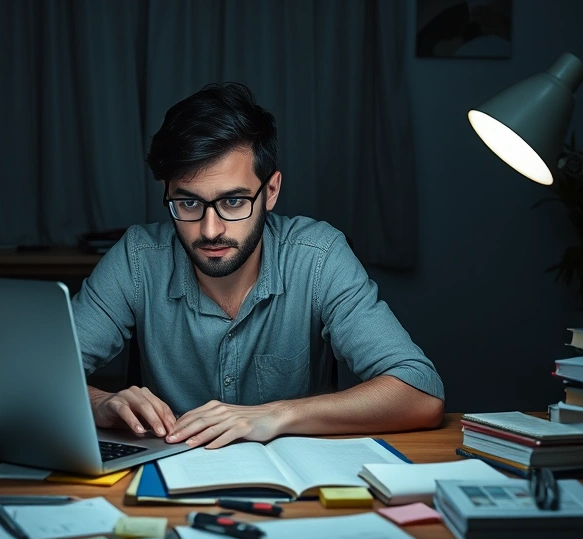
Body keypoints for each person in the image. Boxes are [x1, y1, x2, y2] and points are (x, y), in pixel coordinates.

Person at [72, 82, 444, 449]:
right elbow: (27, 379)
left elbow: (419, 392)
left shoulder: (318, 256)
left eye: (233, 202)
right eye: (188, 204)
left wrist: (273, 415)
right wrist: (98, 403)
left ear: (271, 191)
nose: (210, 229)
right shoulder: (137, 258)